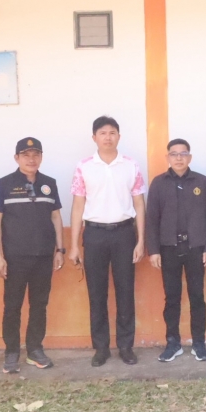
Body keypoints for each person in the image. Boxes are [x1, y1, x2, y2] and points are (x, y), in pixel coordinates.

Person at [69, 116, 146, 367]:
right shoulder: (84, 166)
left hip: (124, 233)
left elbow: (139, 203)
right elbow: (77, 206)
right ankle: (101, 348)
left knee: (125, 292)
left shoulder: (131, 165)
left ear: (119, 137)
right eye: (102, 133)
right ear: (94, 137)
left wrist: (141, 240)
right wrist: (73, 245)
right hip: (94, 235)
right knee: (96, 293)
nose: (108, 137)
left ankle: (126, 346)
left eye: (112, 133)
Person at [0, 138, 65, 374]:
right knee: (12, 306)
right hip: (15, 257)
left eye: (35, 154)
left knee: (39, 305)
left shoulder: (49, 183)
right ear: (17, 158)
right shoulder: (4, 184)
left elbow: (55, 217)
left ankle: (35, 350)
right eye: (26, 155)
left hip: (43, 256)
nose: (31, 159)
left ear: (41, 157)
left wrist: (60, 250)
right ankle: (11, 352)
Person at [146, 138, 206, 362]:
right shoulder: (159, 183)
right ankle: (173, 343)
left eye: (183, 154)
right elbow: (152, 218)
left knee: (197, 296)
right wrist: (153, 250)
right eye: (174, 154)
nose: (179, 158)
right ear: (167, 157)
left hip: (196, 247)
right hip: (168, 248)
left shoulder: (201, 181)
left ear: (190, 157)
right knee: (172, 297)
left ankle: (199, 343)